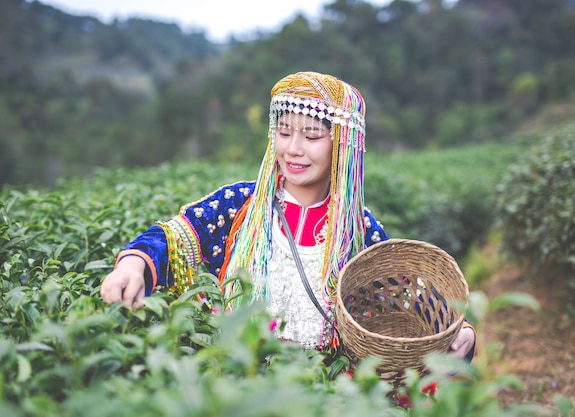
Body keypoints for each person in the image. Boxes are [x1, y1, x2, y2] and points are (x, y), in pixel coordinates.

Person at [100, 71, 476, 360]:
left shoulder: (358, 232)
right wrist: (133, 266)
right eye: (283, 132)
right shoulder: (238, 205)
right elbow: (174, 238)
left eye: (312, 136)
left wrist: (461, 334)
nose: (293, 149)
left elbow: (407, 301)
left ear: (342, 143)